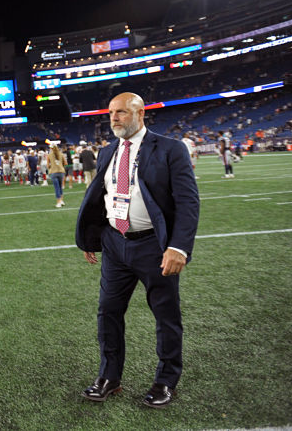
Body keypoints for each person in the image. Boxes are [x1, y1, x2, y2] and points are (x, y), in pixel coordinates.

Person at [76, 92, 199, 409]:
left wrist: (178, 247)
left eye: (121, 112)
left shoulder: (170, 149)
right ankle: (109, 377)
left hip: (153, 246)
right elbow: (99, 197)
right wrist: (92, 240)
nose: (114, 117)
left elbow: (188, 202)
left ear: (140, 113)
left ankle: (166, 381)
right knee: (108, 312)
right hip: (115, 244)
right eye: (111, 112)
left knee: (165, 315)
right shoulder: (107, 152)